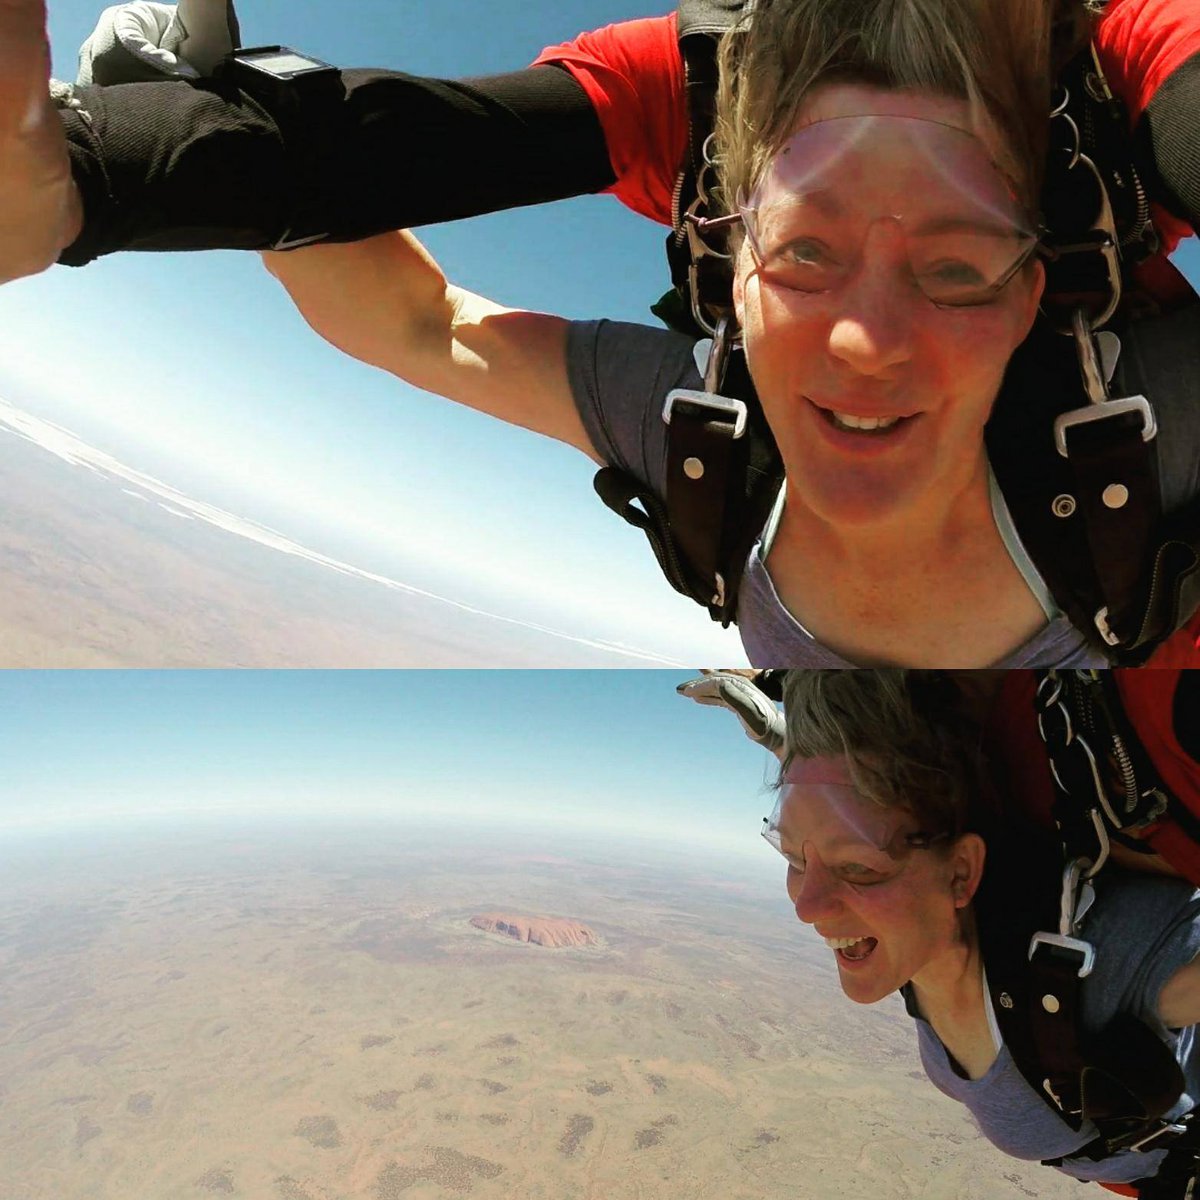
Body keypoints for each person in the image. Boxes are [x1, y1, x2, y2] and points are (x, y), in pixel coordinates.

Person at [258, 0, 1200, 668]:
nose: (867, 342)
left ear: (1029, 299)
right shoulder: (707, 445)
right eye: (804, 254)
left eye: (955, 270)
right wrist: (251, 147)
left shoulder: (696, 453)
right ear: (736, 275)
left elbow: (425, 327)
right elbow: (422, 321)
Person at [765, 668, 1200, 1197]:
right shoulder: (911, 956)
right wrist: (782, 736)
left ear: (961, 872)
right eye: (794, 857)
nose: (807, 907)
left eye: (858, 868)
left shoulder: (1098, 964)